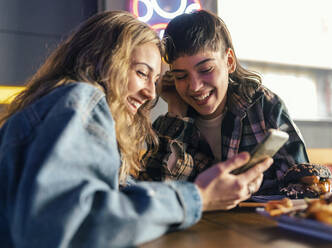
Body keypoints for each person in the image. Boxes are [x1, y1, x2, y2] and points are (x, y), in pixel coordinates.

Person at [0, 11, 273, 247]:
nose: (151, 94)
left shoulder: (65, 105)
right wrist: (199, 197)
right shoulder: (80, 99)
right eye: (142, 73)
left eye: (156, 80)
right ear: (101, 59)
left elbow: (122, 195)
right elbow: (63, 227)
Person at [140, 10, 314, 196]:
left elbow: (304, 183)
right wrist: (176, 110)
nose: (195, 87)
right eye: (181, 76)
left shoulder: (264, 107)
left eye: (206, 69)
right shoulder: (168, 125)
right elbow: (158, 194)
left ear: (229, 61)